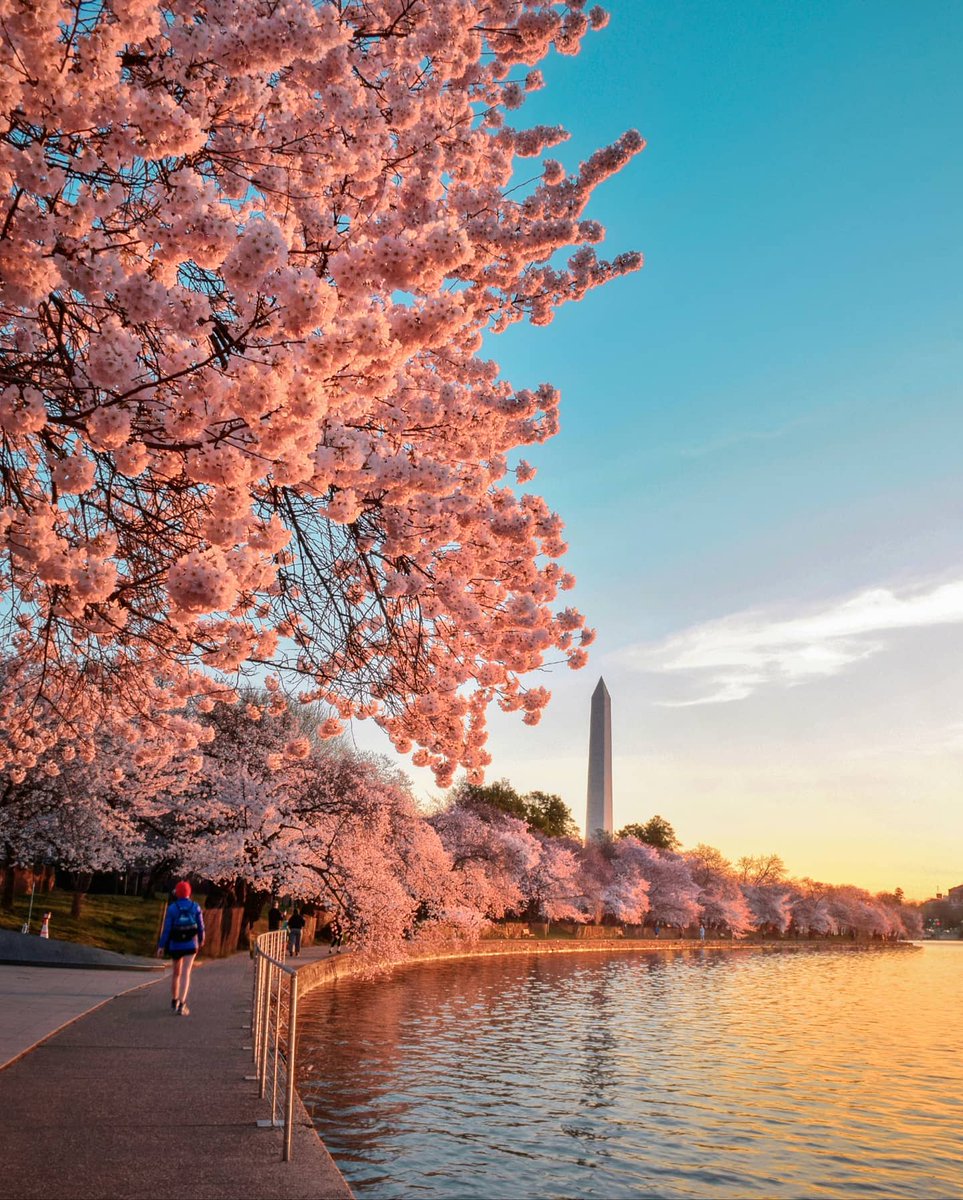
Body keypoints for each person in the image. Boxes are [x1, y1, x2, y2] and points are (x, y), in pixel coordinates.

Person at [157, 881, 205, 1016]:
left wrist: (161, 946)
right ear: (189, 892)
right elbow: (201, 926)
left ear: (177, 893)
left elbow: (167, 929)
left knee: (176, 973)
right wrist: (201, 939)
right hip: (191, 944)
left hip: (176, 944)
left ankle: (174, 1000)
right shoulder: (195, 907)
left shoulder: (172, 908)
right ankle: (182, 1003)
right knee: (186, 973)